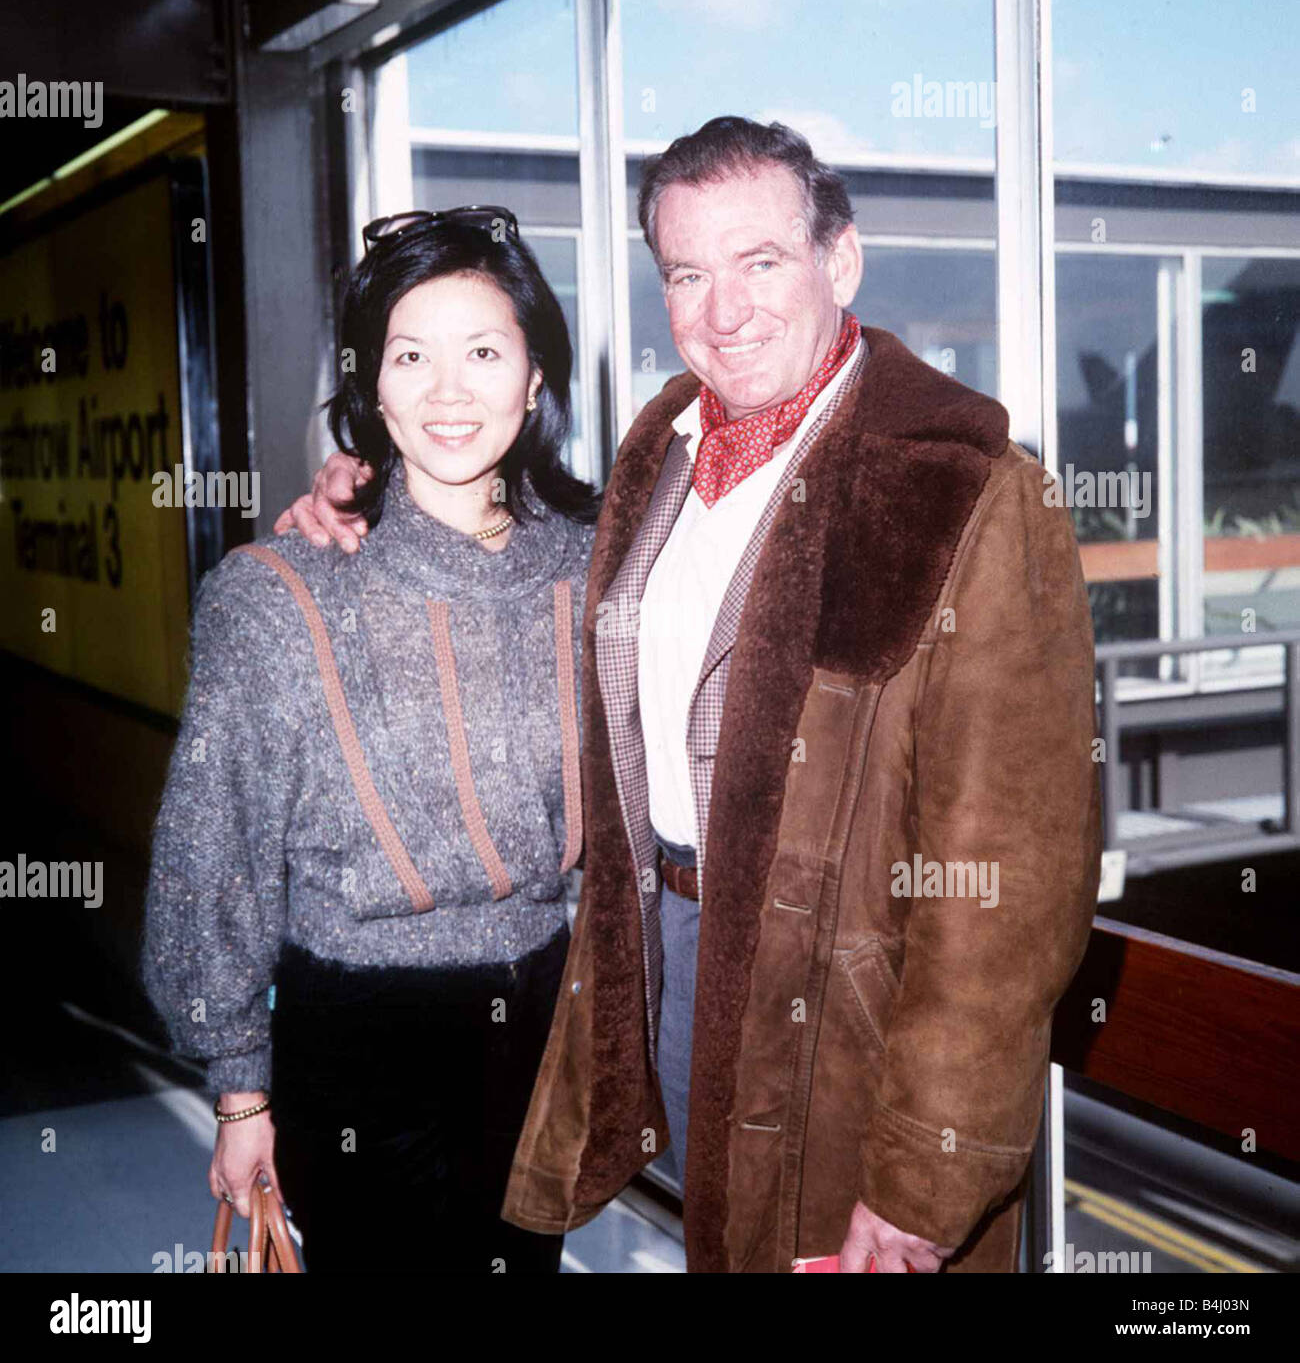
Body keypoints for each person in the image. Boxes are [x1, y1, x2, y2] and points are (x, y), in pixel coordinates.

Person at [286, 117, 1102, 1273]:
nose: (726, 310)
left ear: (841, 261)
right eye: (688, 273)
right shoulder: (656, 454)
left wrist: (929, 1171)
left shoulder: (967, 491)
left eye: (761, 262)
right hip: (669, 969)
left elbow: (1011, 886)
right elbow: (503, 528)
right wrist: (365, 483)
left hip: (846, 1014)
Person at [141, 205, 599, 1273]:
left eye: (484, 351)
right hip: (357, 1043)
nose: (449, 391)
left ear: (535, 377)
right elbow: (215, 854)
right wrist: (238, 1091)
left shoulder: (596, 570)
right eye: (411, 355)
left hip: (541, 1025)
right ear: (371, 385)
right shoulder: (283, 595)